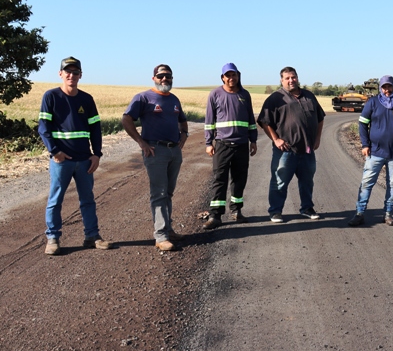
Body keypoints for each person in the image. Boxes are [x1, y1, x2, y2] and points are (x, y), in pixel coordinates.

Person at [38, 56, 112, 255]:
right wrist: (55, 152)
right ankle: (53, 238)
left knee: (87, 199)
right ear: (60, 74)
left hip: (84, 160)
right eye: (67, 72)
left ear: (80, 75)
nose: (72, 75)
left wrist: (96, 154)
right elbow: (43, 128)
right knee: (56, 200)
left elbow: (96, 128)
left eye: (75, 72)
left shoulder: (86, 99)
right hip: (62, 161)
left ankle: (92, 236)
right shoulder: (51, 96)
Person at [122, 64, 189, 251]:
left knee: (168, 192)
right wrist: (141, 142)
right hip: (155, 151)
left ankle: (168, 228)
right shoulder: (143, 97)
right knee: (159, 193)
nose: (164, 79)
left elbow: (182, 120)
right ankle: (161, 236)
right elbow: (126, 119)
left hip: (174, 151)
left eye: (168, 76)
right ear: (154, 78)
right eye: (161, 76)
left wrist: (184, 135)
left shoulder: (174, 99)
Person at [257, 66, 325, 223]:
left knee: (307, 182)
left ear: (297, 78)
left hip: (307, 150)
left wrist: (317, 138)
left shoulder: (309, 96)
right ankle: (275, 211)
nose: (291, 80)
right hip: (286, 151)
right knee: (279, 181)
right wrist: (276, 139)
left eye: (293, 77)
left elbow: (320, 118)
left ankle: (307, 208)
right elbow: (264, 121)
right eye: (287, 78)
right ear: (281, 80)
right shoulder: (275, 99)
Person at [348, 75, 393, 227]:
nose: (387, 90)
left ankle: (388, 214)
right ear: (380, 88)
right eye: (384, 87)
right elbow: (362, 124)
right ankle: (359, 213)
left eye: (389, 87)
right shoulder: (373, 103)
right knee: (367, 183)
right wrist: (365, 145)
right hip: (375, 153)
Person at [202, 63, 258, 230]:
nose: (231, 78)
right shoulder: (215, 94)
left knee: (239, 180)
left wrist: (253, 141)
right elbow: (209, 121)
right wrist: (208, 143)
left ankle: (236, 212)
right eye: (228, 75)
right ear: (223, 78)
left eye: (234, 75)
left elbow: (250, 121)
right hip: (222, 145)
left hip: (241, 145)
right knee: (219, 180)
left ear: (238, 76)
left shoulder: (244, 95)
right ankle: (215, 215)